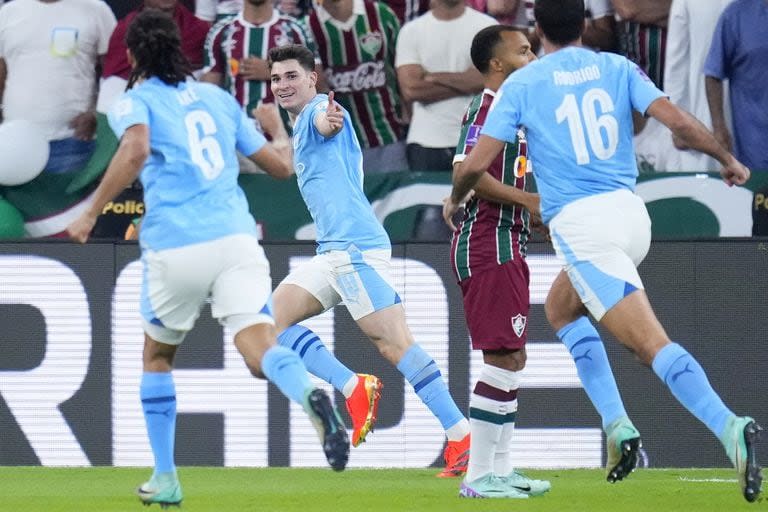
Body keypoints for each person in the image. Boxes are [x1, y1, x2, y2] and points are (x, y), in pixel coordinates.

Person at [444, 0, 762, 502]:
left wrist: (457, 196)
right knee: (561, 308)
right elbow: (677, 121)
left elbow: (472, 165)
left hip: (584, 225)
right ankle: (618, 428)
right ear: (584, 24)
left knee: (647, 345)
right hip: (632, 214)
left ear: (538, 28)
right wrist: (726, 157)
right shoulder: (618, 66)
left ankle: (729, 427)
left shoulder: (523, 85)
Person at [67, 11, 349, 507]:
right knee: (261, 351)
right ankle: (308, 391)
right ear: (181, 50)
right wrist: (275, 128)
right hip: (238, 241)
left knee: (157, 355)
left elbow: (135, 148)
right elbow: (282, 167)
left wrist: (92, 213)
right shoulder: (218, 100)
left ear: (132, 55)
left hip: (176, 243)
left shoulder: (132, 101)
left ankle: (166, 478)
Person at [268, 43, 471, 477]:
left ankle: (461, 436)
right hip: (334, 251)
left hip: (353, 249)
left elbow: (327, 122)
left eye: (290, 76)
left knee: (395, 344)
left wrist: (328, 119)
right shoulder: (299, 122)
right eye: (275, 78)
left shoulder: (320, 112)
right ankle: (351, 385)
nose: (282, 85)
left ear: (312, 79)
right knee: (269, 324)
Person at [448, 25, 551, 499]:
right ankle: (477, 477)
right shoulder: (485, 107)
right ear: (497, 64)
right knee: (502, 358)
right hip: (489, 241)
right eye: (523, 50)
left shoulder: (514, 112)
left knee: (514, 356)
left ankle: (501, 469)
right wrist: (528, 203)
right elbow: (466, 172)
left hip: (507, 240)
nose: (533, 57)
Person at [0, 0, 116, 174]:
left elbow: (116, 71)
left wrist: (96, 113)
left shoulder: (96, 10)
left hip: (72, 141)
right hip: (13, 144)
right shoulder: (8, 12)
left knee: (70, 202)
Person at [302, 0, 408, 173]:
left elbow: (401, 69)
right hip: (339, 145)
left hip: (388, 136)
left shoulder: (382, 15)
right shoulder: (308, 28)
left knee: (395, 199)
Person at [704, 0, 768, 233]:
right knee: (760, 243)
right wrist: (719, 127)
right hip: (755, 154)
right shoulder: (736, 15)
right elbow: (712, 73)